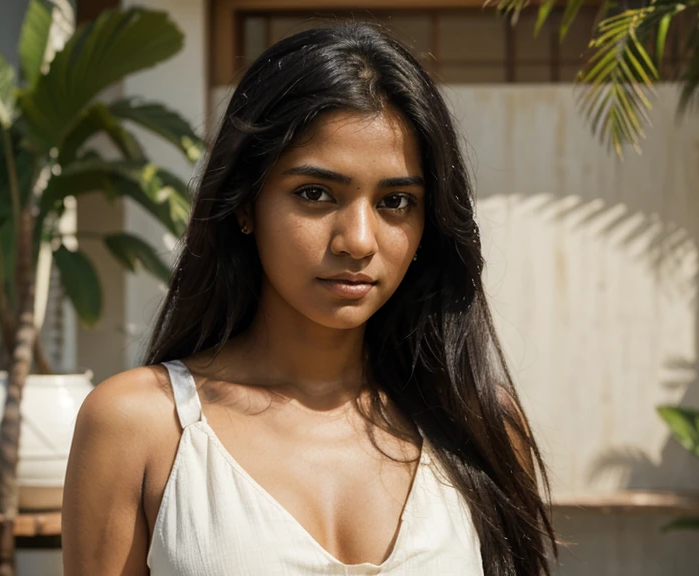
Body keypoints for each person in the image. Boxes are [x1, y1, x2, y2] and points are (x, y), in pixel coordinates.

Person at [61, 22, 556, 576]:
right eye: (315, 194)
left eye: (395, 201)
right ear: (244, 204)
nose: (359, 241)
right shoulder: (142, 425)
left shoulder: (482, 425)